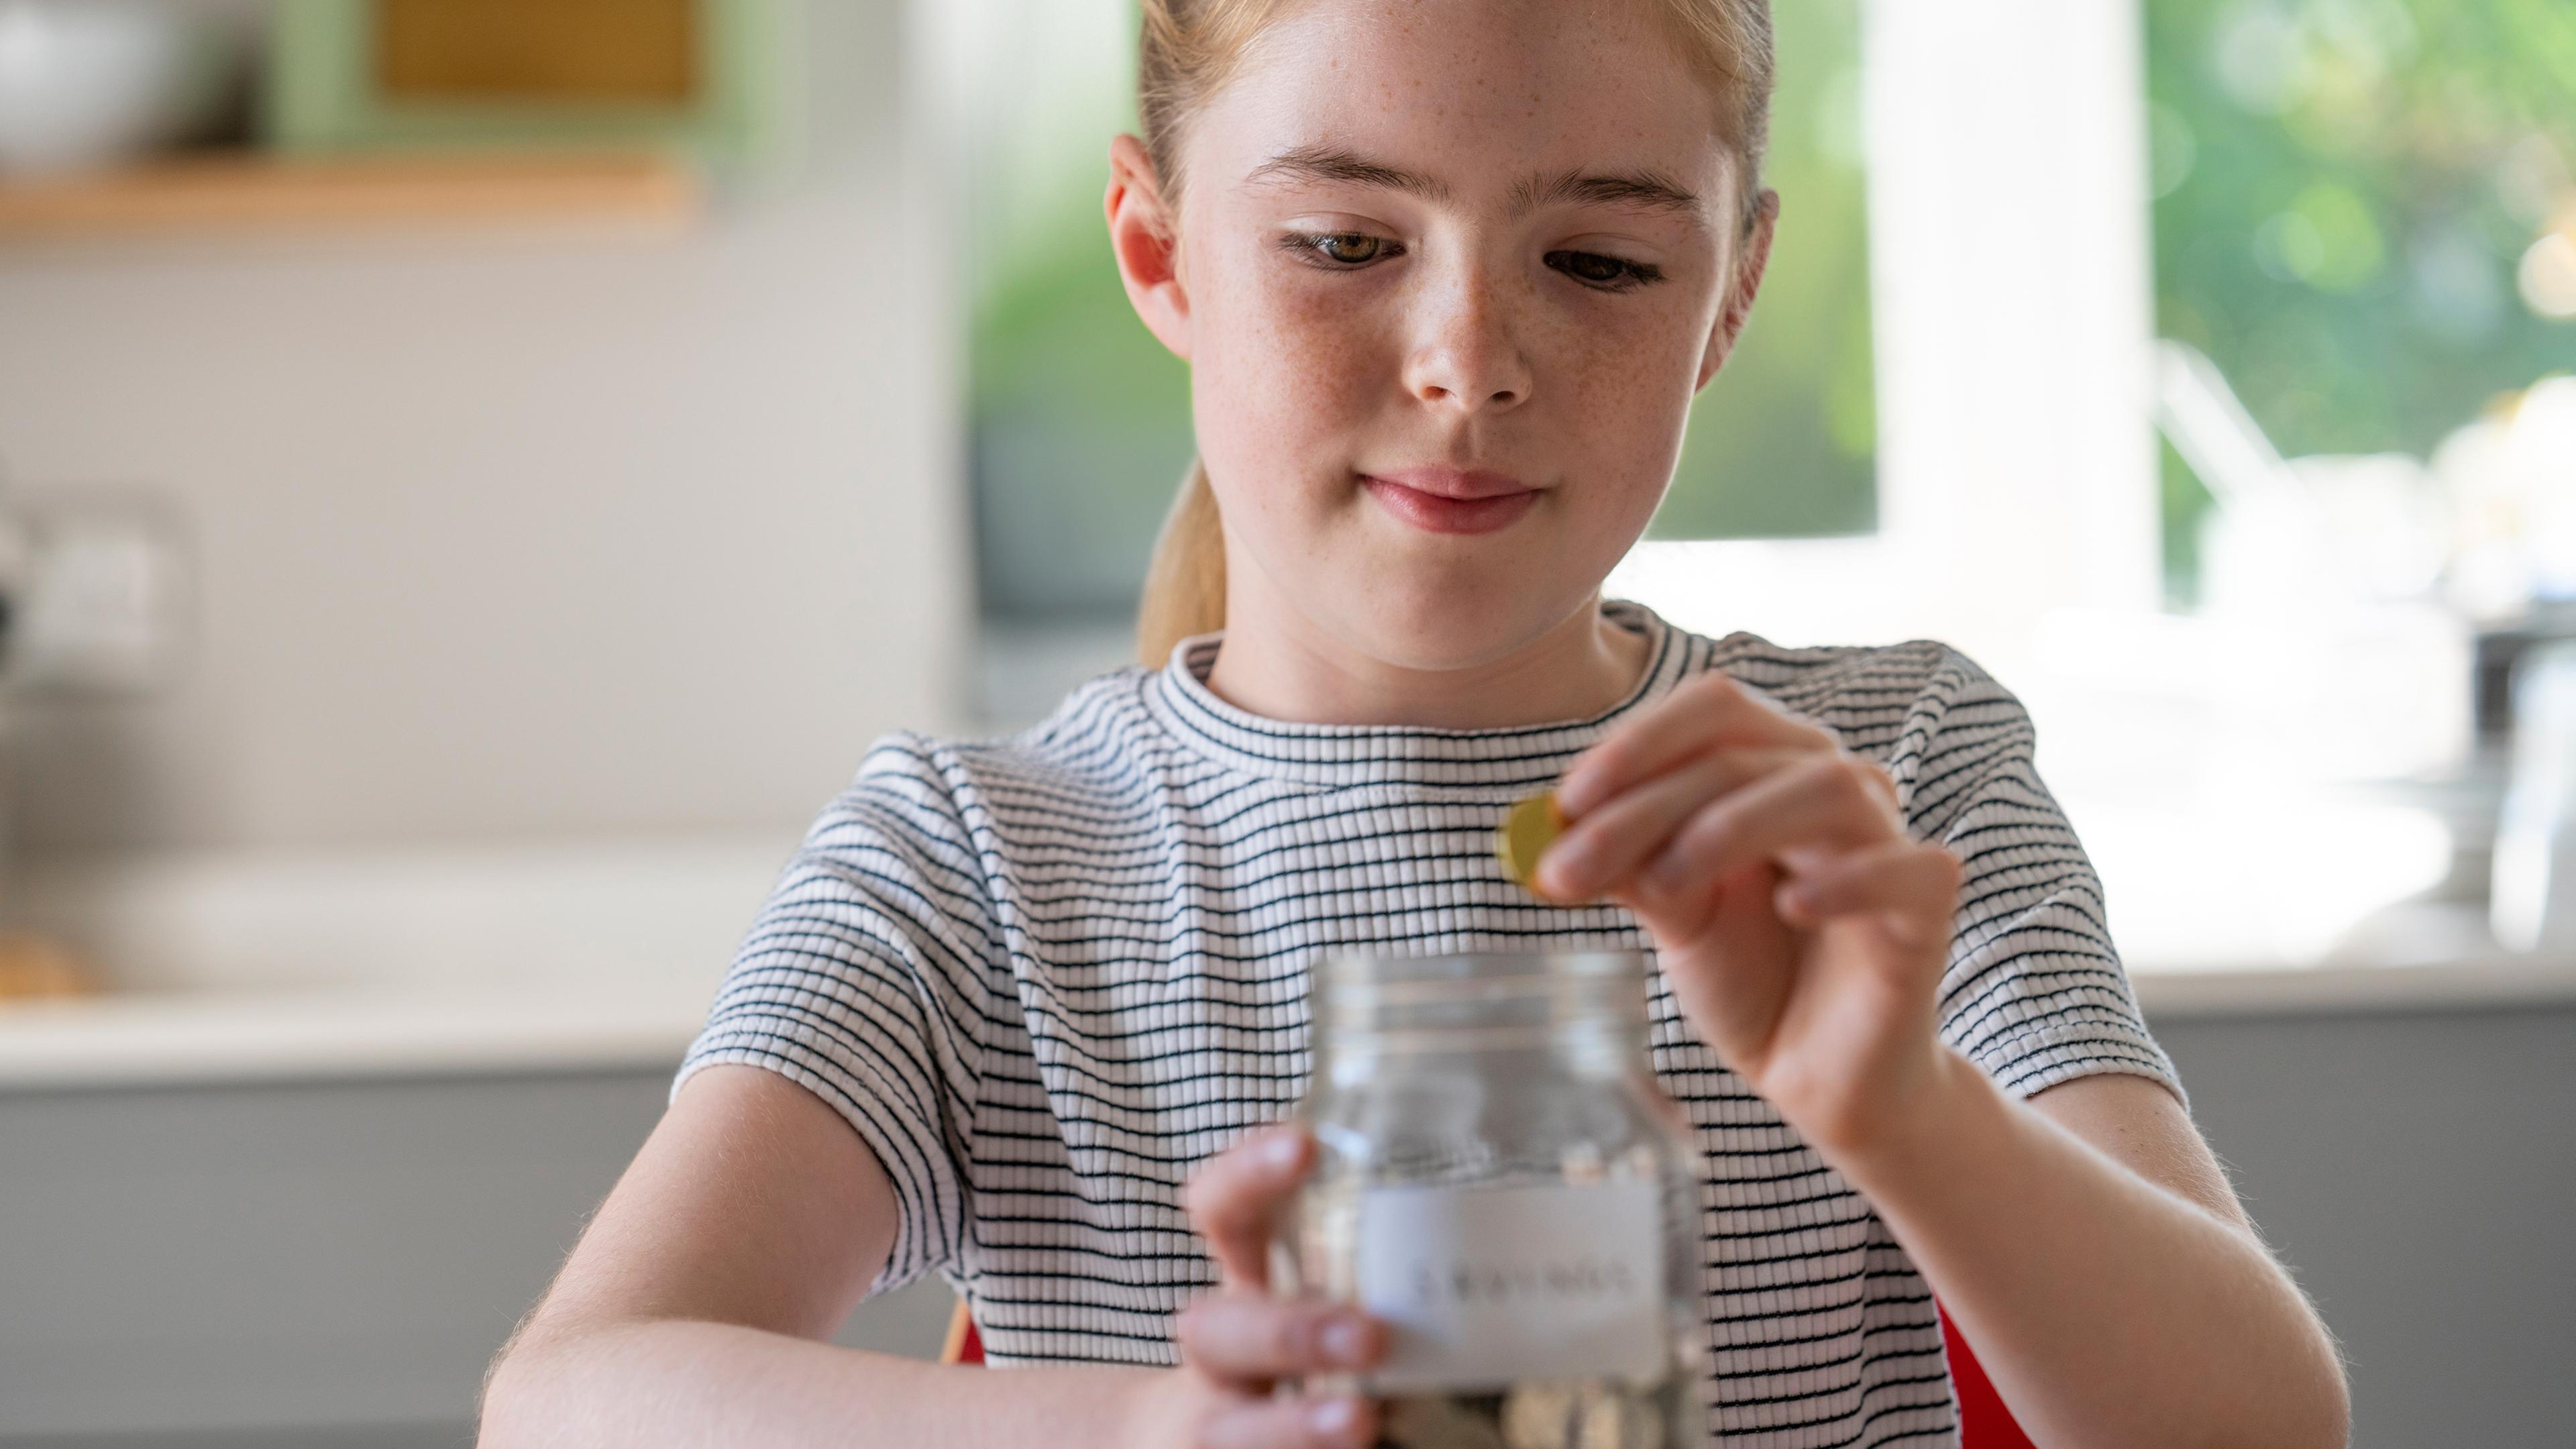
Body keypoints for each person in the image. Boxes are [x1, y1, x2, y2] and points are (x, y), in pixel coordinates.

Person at [478, 0, 2350, 1444]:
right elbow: (570, 1401)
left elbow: (2264, 1426)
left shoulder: (1893, 781)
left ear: (1728, 296)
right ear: (1162, 255)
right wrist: (1146, 1423)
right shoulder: (979, 867)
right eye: (1348, 245)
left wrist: (1903, 1109)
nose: (1471, 356)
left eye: (1602, 262)